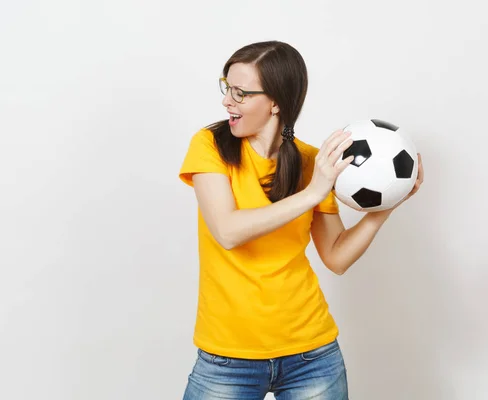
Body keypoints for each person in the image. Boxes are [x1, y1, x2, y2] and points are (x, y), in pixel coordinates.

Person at [178, 41, 424, 400]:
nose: (226, 100)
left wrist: (384, 207)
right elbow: (228, 231)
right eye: (226, 87)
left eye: (240, 93)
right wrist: (311, 193)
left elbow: (336, 258)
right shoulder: (210, 145)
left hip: (312, 354)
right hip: (227, 358)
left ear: (276, 102)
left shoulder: (312, 162)